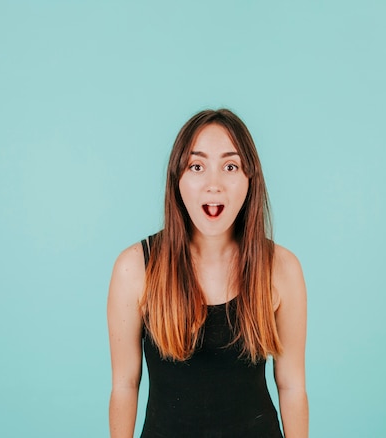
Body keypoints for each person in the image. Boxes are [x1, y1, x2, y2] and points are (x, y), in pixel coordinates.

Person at [107, 109, 308, 437]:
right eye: (197, 166)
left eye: (230, 166)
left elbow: (292, 386)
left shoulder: (282, 268)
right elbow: (125, 385)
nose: (213, 185)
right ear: (178, 178)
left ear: (249, 179)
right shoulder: (134, 269)